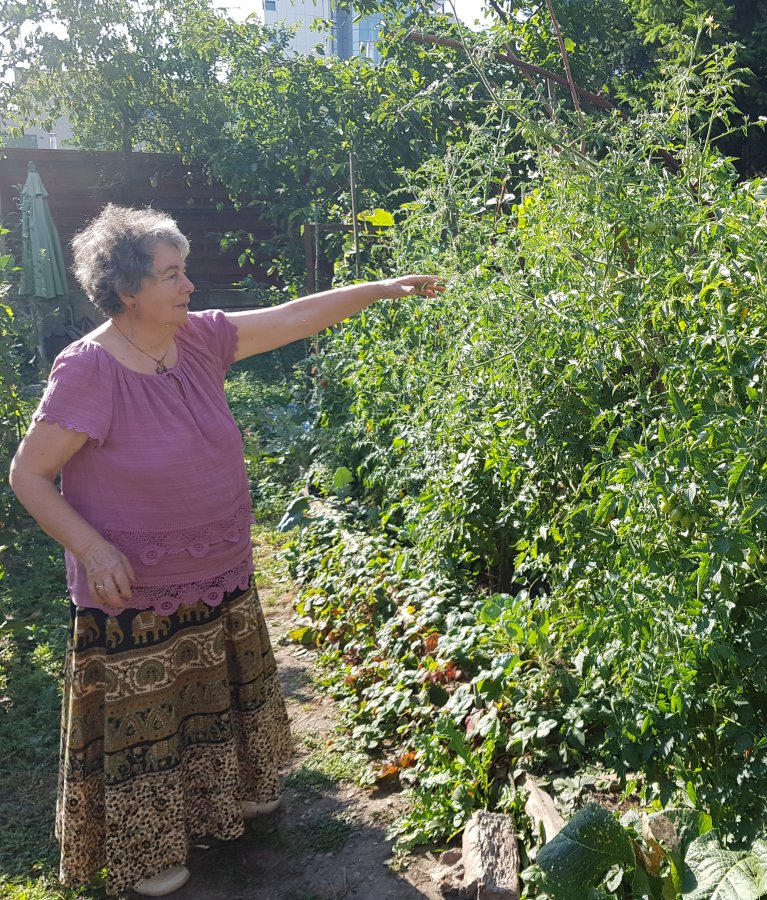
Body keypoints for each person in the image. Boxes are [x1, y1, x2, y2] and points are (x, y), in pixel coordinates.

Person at [8, 204, 444, 897]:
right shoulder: (88, 369)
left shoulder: (200, 338)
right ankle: (147, 848)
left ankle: (237, 792)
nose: (189, 285)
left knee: (220, 690)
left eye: (184, 270)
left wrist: (377, 289)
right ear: (127, 290)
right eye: (171, 275)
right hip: (135, 590)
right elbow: (28, 475)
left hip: (219, 567)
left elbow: (295, 316)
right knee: (148, 716)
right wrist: (93, 550)